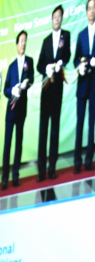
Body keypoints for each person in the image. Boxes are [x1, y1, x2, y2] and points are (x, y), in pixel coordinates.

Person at [36, 5, 71, 181]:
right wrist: (46, 68)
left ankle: (52, 168)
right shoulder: (46, 41)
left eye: (59, 16)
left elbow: (68, 56)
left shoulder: (66, 36)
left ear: (62, 19)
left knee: (55, 129)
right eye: (54, 17)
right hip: (46, 90)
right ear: (51, 20)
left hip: (57, 90)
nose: (56, 19)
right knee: (43, 130)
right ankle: (41, 170)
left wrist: (61, 63)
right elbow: (39, 65)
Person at [73, 0, 95, 174]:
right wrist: (79, 66)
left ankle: (89, 160)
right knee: (80, 123)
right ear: (86, 12)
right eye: (89, 8)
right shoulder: (81, 35)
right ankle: (77, 161)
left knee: (91, 122)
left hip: (94, 82)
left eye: (94, 8)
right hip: (82, 84)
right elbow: (75, 59)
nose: (92, 11)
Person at [2, 31, 34, 190]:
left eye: (25, 41)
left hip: (22, 109)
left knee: (19, 143)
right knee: (7, 144)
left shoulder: (30, 61)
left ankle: (15, 176)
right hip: (10, 111)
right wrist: (12, 91)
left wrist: (26, 84)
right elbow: (5, 89)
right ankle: (4, 178)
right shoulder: (12, 66)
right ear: (16, 45)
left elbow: (32, 79)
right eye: (21, 41)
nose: (23, 43)